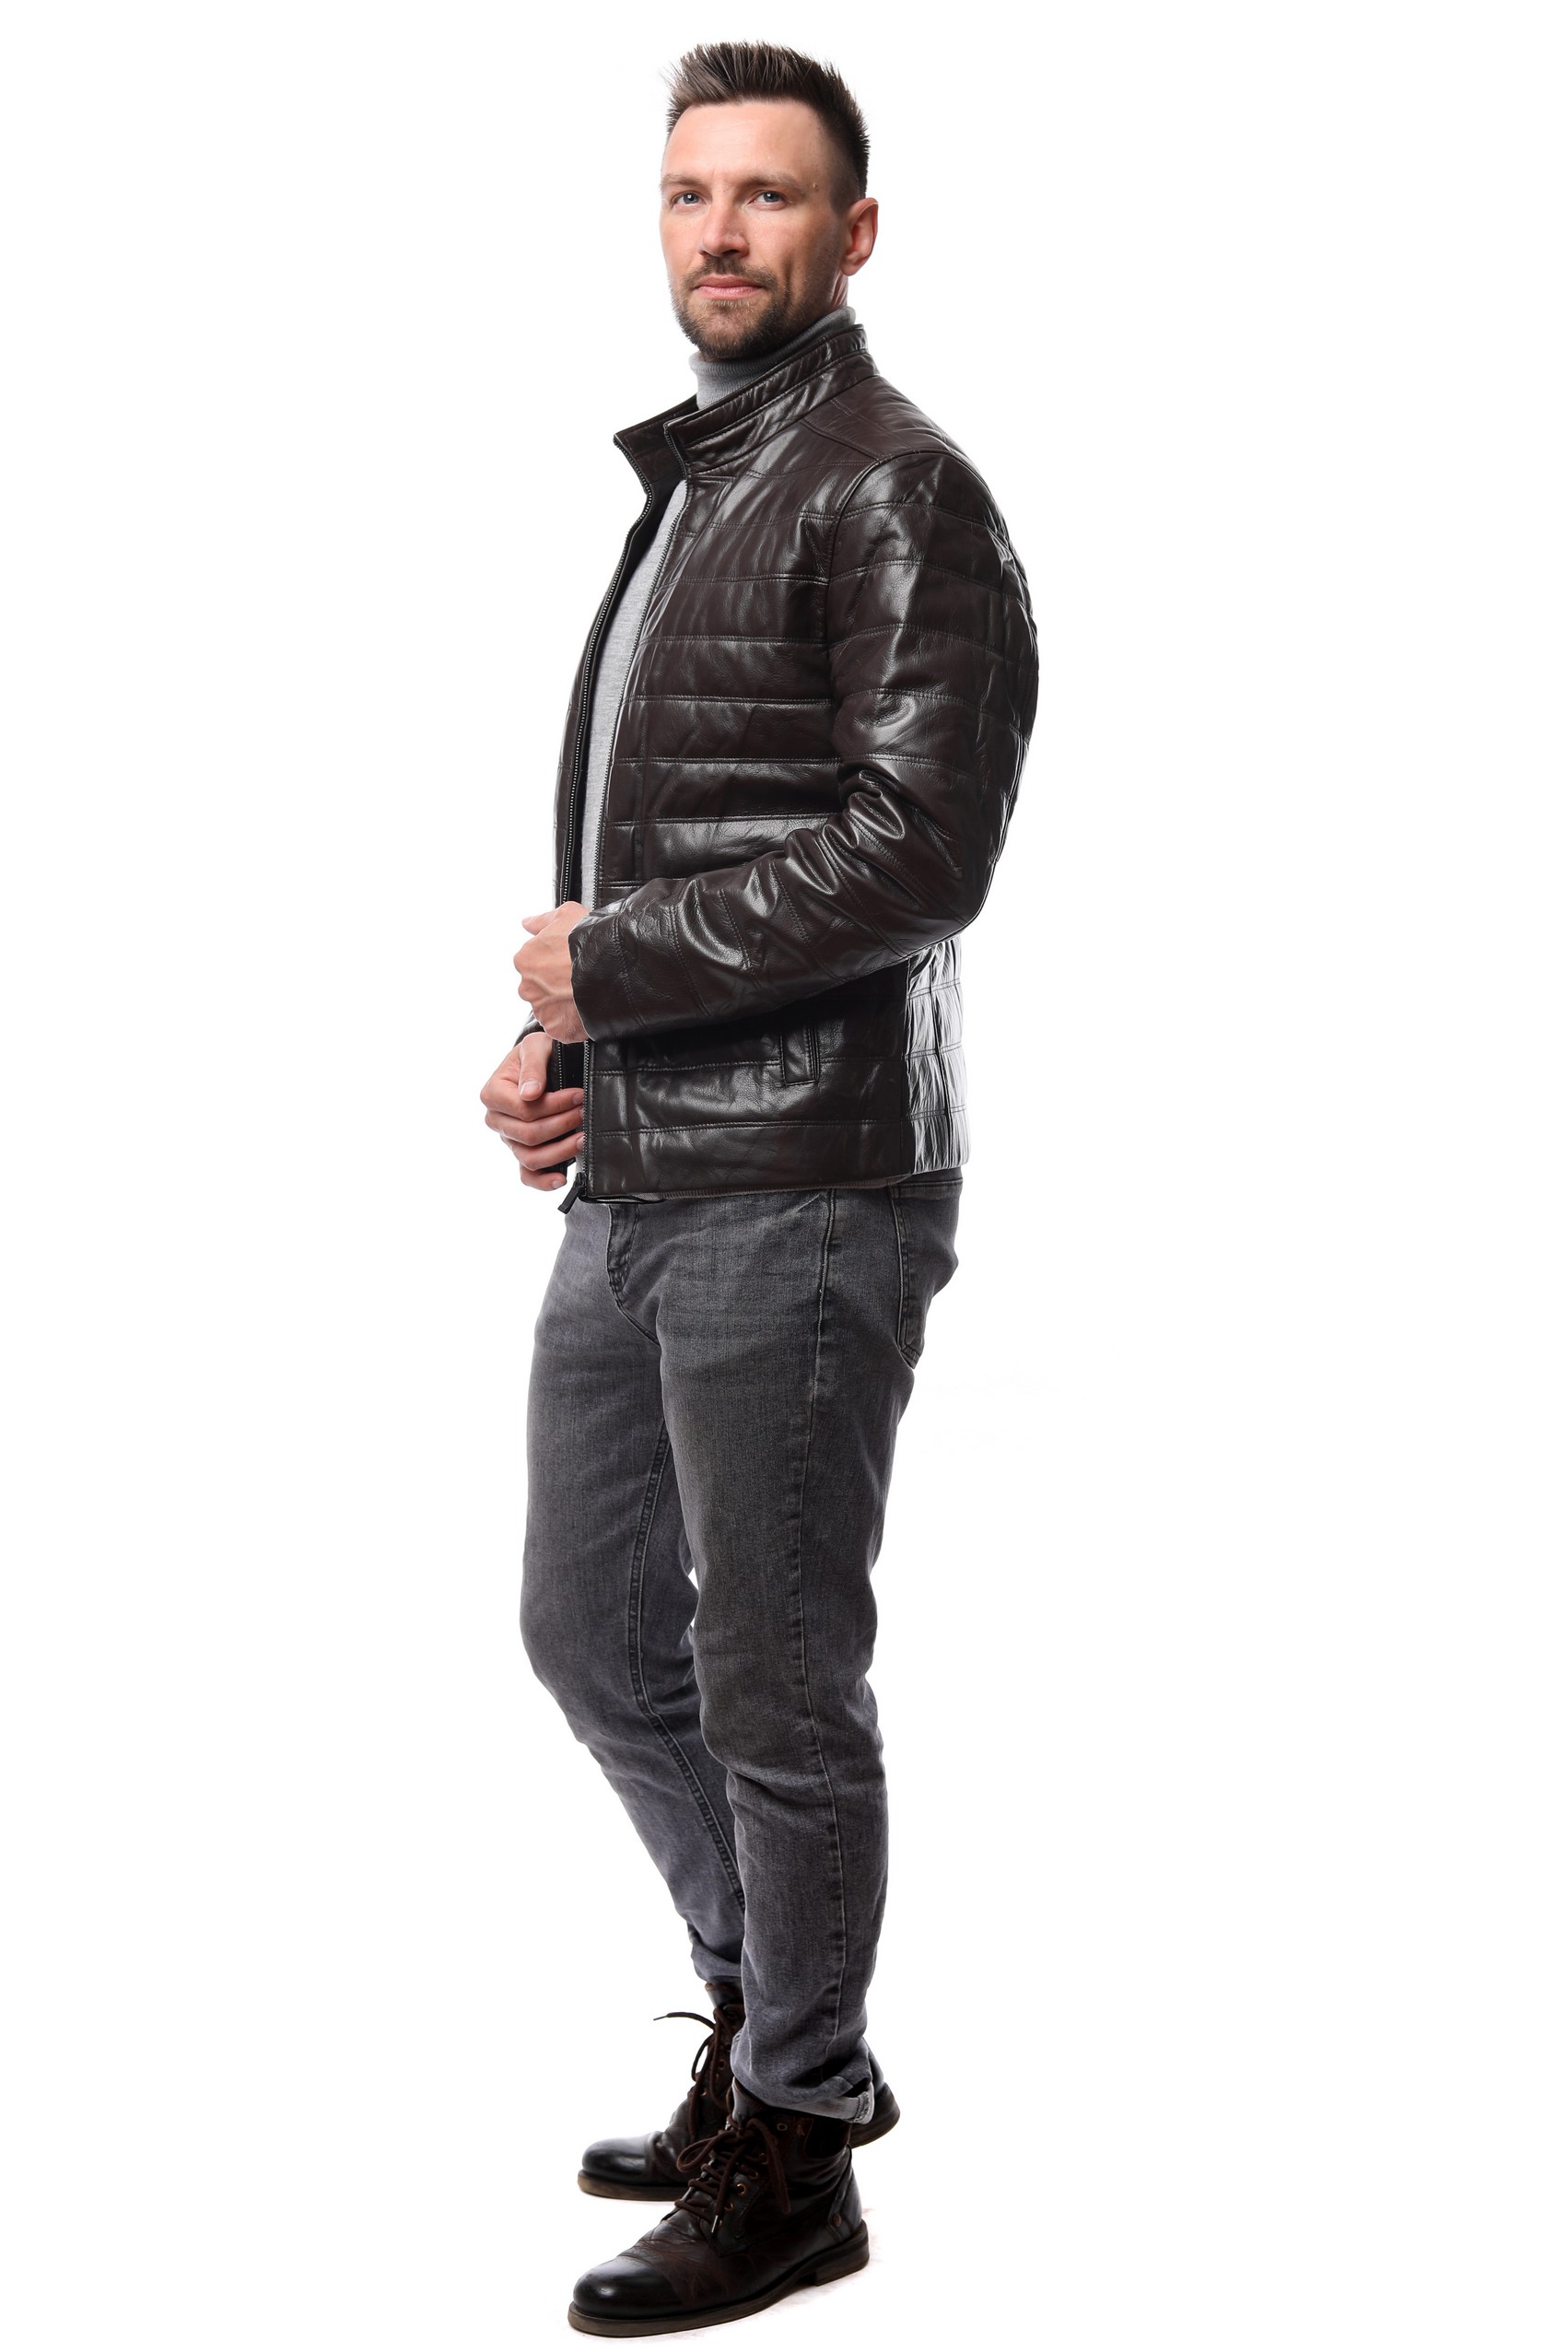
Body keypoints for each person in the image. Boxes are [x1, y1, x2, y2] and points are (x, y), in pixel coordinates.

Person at [480, 41, 1037, 2336]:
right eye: (689, 192)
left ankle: (796, 2146)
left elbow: (919, 852)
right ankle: (775, 2020)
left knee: (774, 1676)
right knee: (588, 1623)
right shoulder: (708, 473)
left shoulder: (892, 487)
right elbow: (696, 825)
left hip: (804, 1185)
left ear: (852, 233)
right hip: (647, 1168)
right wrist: (573, 1046)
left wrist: (611, 966)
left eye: (769, 196)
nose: (720, 230)